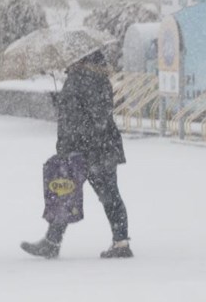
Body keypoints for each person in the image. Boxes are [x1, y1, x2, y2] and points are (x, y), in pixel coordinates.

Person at [21, 47, 132, 260]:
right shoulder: (94, 79)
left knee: (73, 193)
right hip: (97, 148)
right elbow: (89, 113)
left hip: (89, 150)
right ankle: (119, 241)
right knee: (81, 193)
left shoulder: (84, 79)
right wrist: (62, 102)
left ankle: (54, 242)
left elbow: (96, 117)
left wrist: (74, 128)